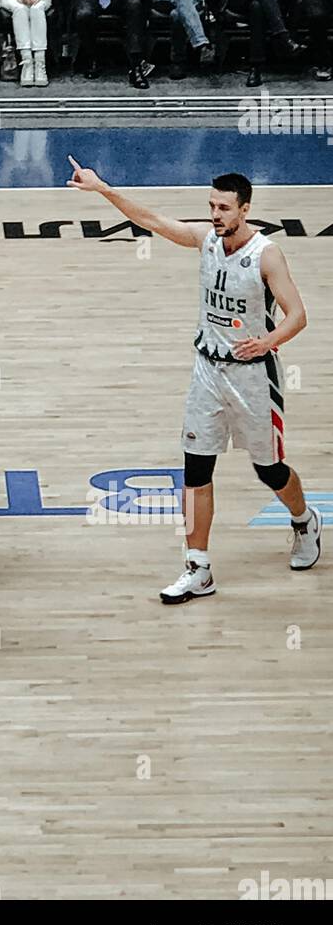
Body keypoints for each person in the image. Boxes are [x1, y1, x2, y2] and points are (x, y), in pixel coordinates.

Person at [67, 163, 322, 601]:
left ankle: (303, 518)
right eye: (211, 206)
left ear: (245, 209)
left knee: (270, 470)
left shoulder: (266, 254)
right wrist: (102, 188)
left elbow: (298, 315)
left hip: (254, 377)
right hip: (208, 370)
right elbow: (151, 220)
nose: (216, 214)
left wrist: (268, 341)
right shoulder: (205, 240)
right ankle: (198, 566)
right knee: (195, 470)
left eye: (224, 207)